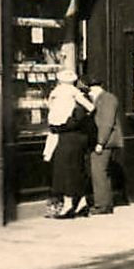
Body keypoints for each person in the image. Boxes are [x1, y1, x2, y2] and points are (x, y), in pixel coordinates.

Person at [46, 70, 95, 219]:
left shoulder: (62, 95)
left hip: (66, 136)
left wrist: (69, 123)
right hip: (74, 137)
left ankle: (68, 205)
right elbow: (91, 108)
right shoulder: (76, 94)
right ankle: (81, 203)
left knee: (65, 170)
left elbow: (87, 110)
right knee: (75, 169)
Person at [86, 74, 123, 215]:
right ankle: (105, 203)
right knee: (102, 172)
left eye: (90, 90)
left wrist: (100, 142)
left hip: (105, 141)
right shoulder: (105, 98)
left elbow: (106, 123)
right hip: (103, 140)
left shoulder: (107, 99)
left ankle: (102, 205)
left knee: (98, 172)